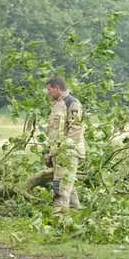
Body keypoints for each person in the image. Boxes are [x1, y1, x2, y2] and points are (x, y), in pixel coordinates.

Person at [44, 76, 85, 210]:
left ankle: (59, 216)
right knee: (69, 186)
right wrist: (49, 153)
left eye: (49, 89)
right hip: (58, 152)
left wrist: (62, 151)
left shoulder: (72, 103)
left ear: (57, 88)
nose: (48, 92)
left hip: (68, 153)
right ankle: (74, 214)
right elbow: (54, 133)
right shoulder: (57, 105)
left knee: (61, 186)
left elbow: (76, 130)